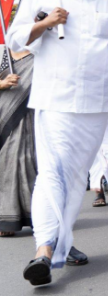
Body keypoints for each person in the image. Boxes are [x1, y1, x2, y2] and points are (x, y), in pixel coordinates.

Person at [9, 0, 108, 286]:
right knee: (52, 173)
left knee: (74, 177)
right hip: (54, 99)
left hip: (98, 104)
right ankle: (45, 250)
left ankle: (63, 242)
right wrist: (45, 23)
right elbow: (15, 38)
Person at [0, 47, 35, 238]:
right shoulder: (2, 54)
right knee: (5, 165)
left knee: (29, 162)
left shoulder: (40, 53)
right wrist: (2, 84)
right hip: (4, 115)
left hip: (33, 115)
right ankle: (6, 218)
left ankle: (38, 216)